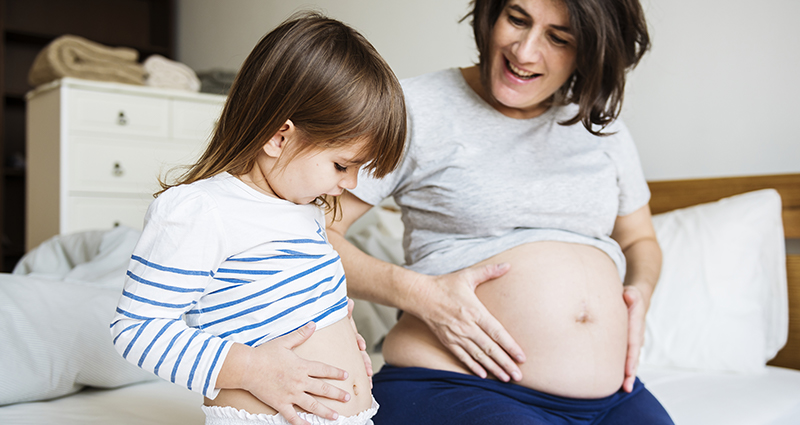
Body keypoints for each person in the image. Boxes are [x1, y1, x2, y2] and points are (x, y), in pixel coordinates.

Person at [325, 0, 675, 423]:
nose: (524, 52)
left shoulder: (600, 125)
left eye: (558, 37)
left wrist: (641, 293)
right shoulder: (412, 107)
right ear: (491, 14)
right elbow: (310, 233)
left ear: (590, 51)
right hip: (457, 385)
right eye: (517, 19)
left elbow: (640, 239)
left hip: (614, 398)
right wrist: (418, 293)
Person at [109, 13, 406, 425]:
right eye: (342, 165)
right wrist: (251, 369)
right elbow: (137, 329)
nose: (351, 183)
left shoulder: (305, 209)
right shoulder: (202, 210)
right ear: (278, 136)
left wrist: (344, 341)